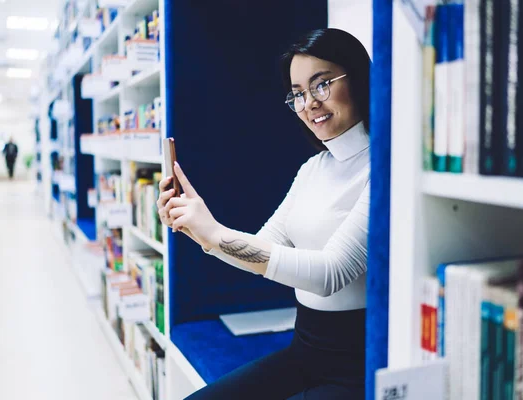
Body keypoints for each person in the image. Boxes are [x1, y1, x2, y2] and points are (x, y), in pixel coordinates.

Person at [157, 28, 371, 400]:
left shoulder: (382, 170)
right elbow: (263, 246)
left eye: (322, 85)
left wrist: (214, 233)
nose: (310, 104)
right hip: (305, 352)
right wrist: (196, 227)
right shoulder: (313, 169)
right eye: (299, 94)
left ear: (359, 78)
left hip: (358, 369)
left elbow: (330, 274)